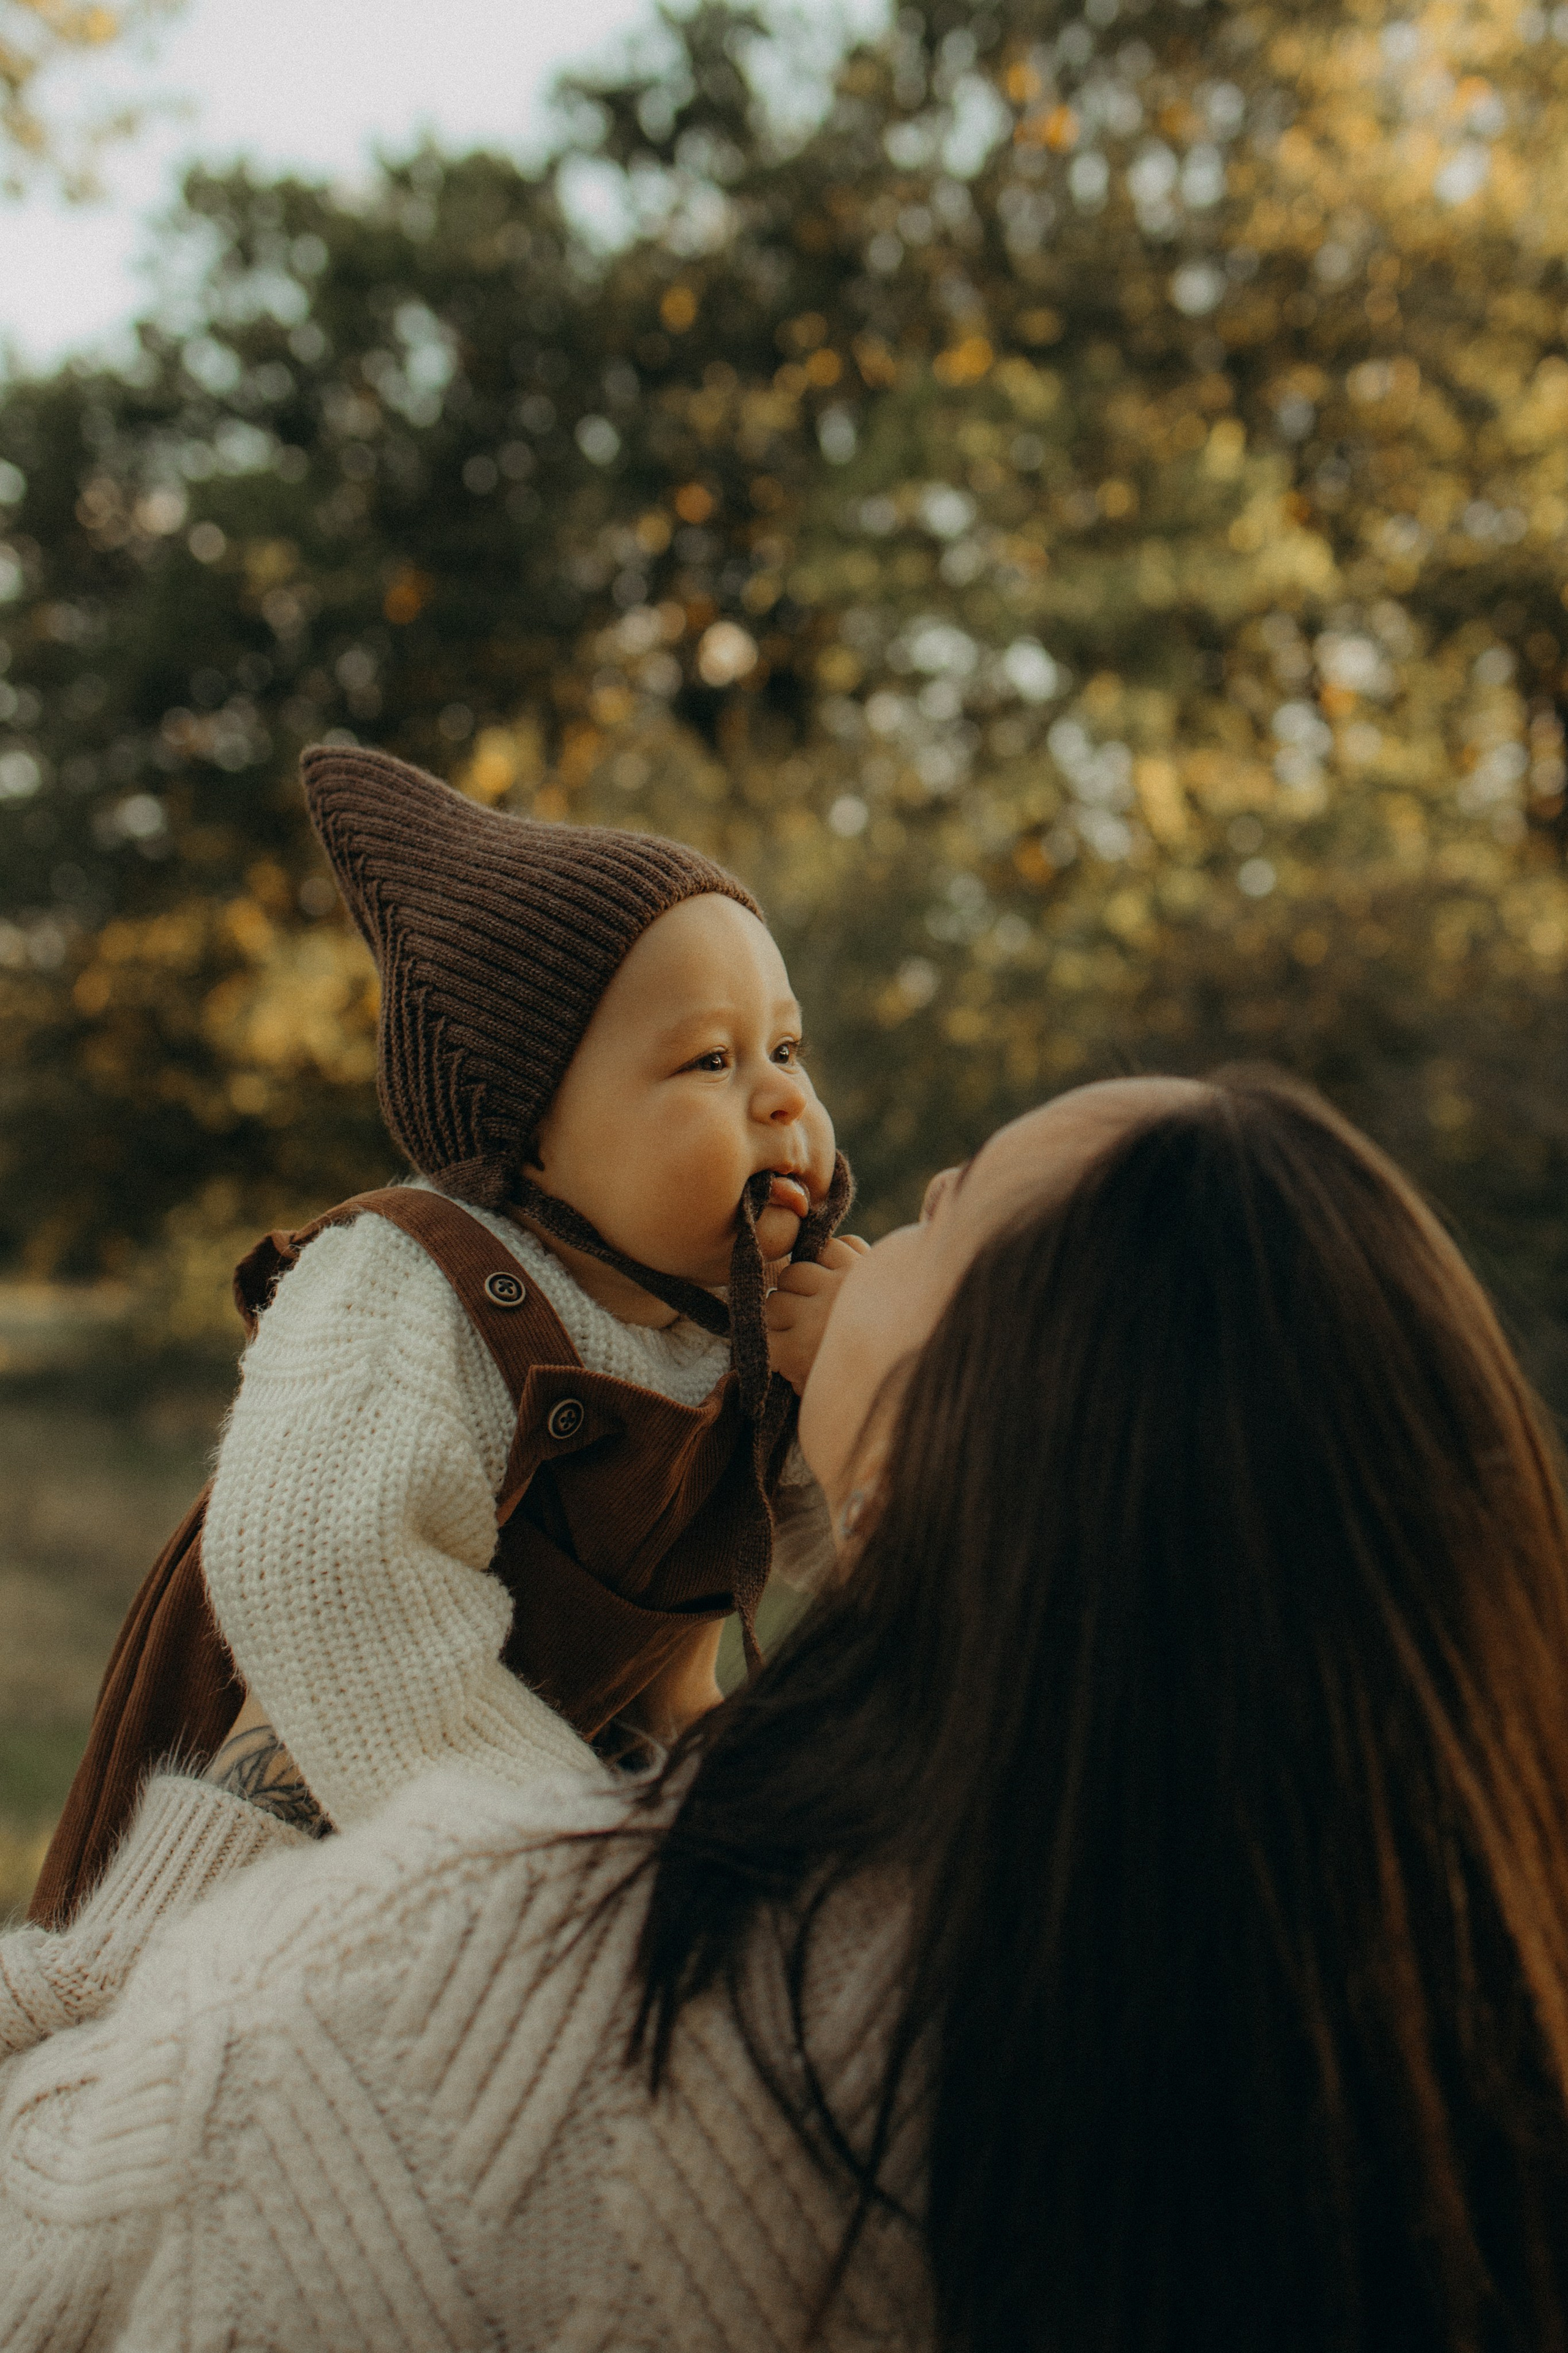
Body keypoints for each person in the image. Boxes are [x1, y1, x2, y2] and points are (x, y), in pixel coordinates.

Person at [7, 1068, 1568, 2353]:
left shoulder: (500, 1993)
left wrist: (260, 1792)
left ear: (965, 1421)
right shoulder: (1443, 2043)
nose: (857, 1219)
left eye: (938, 1216)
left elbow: (55, 2252)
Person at [32, 746, 861, 1915]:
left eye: (787, 1050)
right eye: (711, 1061)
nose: (783, 1099)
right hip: (281, 1850)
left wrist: (871, 1387)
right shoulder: (409, 1284)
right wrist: (593, 1845)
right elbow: (320, 1579)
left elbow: (871, 1562)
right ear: (528, 1142)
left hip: (562, 1833)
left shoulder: (736, 1320)